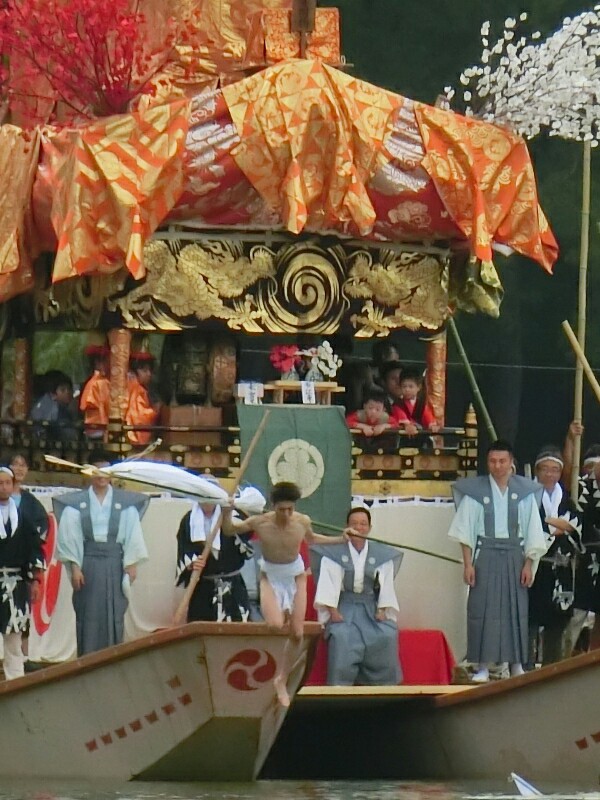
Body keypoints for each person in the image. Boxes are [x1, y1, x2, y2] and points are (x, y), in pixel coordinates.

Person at [221, 481, 347, 707]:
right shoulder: (259, 522)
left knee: (297, 634)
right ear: (273, 506)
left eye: (290, 509)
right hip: (270, 575)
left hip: (296, 575)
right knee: (275, 626)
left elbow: (313, 539)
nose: (287, 514)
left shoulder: (302, 521)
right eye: (282, 509)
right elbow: (229, 530)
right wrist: (227, 510)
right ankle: (284, 611)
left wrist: (341, 539)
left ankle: (282, 678)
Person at [448, 440, 548, 682]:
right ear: (487, 462)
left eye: (502, 461)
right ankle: (482, 666)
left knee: (516, 611)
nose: (497, 466)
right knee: (482, 610)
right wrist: (468, 564)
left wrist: (528, 563)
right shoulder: (477, 492)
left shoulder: (524, 492)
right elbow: (465, 531)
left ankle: (515, 665)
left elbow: (533, 530)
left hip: (515, 555)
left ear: (511, 462)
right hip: (485, 555)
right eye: (493, 461)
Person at [54, 454, 149, 656]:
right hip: (88, 563)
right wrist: (75, 567)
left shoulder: (123, 503)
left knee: (114, 612)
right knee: (88, 613)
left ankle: (112, 659)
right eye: (97, 471)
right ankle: (87, 660)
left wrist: (131, 563)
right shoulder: (77, 503)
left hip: (115, 563)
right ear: (89, 473)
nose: (101, 476)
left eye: (106, 472)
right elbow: (71, 536)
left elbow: (132, 534)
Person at [312, 506, 402, 685]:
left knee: (387, 635)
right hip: (345, 606)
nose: (359, 528)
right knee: (341, 635)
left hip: (370, 606)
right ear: (347, 526)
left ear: (369, 527)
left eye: (363, 524)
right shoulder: (335, 552)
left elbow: (386, 586)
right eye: (354, 524)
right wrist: (333, 611)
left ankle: (383, 685)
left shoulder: (381, 554)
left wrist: (383, 609)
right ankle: (341, 684)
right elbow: (328, 584)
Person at [528, 447, 582, 666]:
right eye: (545, 469)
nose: (550, 475)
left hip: (561, 569)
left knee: (556, 623)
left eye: (554, 470)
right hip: (534, 566)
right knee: (529, 620)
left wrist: (553, 525)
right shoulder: (527, 499)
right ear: (537, 471)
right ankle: (525, 667)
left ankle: (553, 667)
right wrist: (557, 525)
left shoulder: (567, 500)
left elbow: (575, 527)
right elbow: (530, 527)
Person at [176, 495, 253, 622]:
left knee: (236, 624)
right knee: (202, 623)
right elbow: (184, 547)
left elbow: (248, 531)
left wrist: (229, 514)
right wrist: (192, 562)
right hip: (203, 585)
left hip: (232, 583)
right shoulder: (189, 520)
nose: (207, 502)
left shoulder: (232, 514)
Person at [0, 466, 45, 679]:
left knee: (14, 639)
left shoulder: (22, 517)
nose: (3, 487)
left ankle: (15, 682)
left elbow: (34, 548)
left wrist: (35, 579)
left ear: (13, 485)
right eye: (0, 483)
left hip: (16, 583)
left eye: (7, 483)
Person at [10, 454, 49, 672]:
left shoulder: (31, 503)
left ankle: (23, 657)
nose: (19, 468)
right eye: (14, 464)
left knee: (21, 611)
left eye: (23, 464)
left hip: (22, 566)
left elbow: (41, 531)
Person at [30, 371, 78, 442]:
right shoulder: (54, 409)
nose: (67, 393)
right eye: (63, 390)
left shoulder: (43, 403)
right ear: (53, 395)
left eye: (69, 389)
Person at [391, 368, 440, 435]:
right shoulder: (398, 404)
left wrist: (432, 425)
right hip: (402, 436)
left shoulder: (421, 404)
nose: (407, 389)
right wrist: (407, 425)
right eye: (404, 386)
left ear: (418, 387)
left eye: (411, 387)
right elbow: (401, 417)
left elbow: (427, 415)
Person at [126, 352, 161, 445]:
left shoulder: (132, 384)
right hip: (132, 433)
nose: (149, 374)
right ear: (136, 371)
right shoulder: (137, 389)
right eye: (145, 371)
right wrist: (154, 412)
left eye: (149, 370)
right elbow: (139, 417)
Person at [80, 344, 110, 439]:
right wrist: (106, 428)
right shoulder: (98, 383)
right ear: (98, 363)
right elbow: (102, 406)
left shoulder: (98, 381)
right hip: (98, 428)